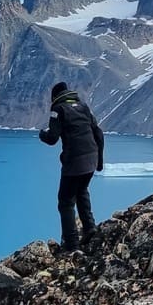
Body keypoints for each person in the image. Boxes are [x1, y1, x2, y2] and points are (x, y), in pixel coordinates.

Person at [38, 82, 104, 251]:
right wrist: (100, 161)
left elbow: (52, 138)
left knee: (65, 202)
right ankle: (90, 228)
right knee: (81, 191)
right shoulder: (83, 106)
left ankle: (72, 245)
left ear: (55, 97)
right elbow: (98, 132)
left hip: (75, 162)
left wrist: (42, 135)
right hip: (91, 158)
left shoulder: (58, 109)